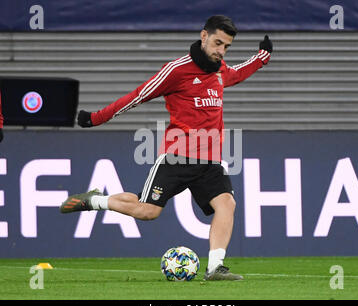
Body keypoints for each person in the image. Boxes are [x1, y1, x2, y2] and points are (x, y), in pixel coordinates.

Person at [60, 15, 272, 281]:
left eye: (226, 46)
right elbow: (137, 95)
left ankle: (215, 267)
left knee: (226, 204)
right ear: (203, 36)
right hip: (177, 157)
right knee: (148, 211)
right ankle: (95, 200)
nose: (221, 51)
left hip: (210, 161)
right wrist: (96, 118)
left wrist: (262, 57)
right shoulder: (176, 70)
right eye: (218, 43)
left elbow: (237, 73)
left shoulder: (219, 70)